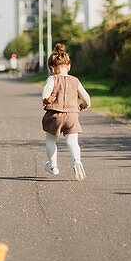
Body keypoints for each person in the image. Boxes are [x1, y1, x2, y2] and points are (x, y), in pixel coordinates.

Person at [41, 43, 91, 181]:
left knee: (51, 140)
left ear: (51, 68)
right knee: (72, 141)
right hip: (72, 116)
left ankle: (53, 166)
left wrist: (47, 100)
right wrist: (84, 105)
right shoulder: (75, 80)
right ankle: (76, 161)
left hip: (55, 115)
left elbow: (45, 94)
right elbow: (86, 97)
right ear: (69, 66)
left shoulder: (52, 79)